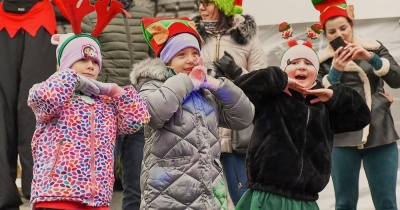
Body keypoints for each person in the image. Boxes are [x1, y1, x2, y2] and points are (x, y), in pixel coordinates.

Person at [27, 0, 150, 209]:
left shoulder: (105, 103)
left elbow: (137, 120)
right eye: (83, 60)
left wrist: (118, 92)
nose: (90, 66)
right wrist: (70, 77)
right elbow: (43, 99)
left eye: (95, 62)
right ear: (66, 63)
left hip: (97, 198)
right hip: (57, 195)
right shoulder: (54, 92)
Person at [232, 37, 371, 210]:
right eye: (293, 62)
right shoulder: (270, 99)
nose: (302, 66)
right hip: (266, 197)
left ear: (316, 71)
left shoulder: (323, 107)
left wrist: (334, 96)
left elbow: (362, 117)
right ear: (284, 71)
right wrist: (275, 79)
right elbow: (235, 92)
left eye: (308, 63)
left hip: (306, 201)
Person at [129, 17, 254, 210]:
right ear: (167, 61)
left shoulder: (207, 91)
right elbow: (153, 114)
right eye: (181, 55)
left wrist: (217, 85)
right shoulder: (151, 85)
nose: (191, 59)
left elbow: (244, 116)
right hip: (168, 195)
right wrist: (187, 82)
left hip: (209, 193)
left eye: (195, 53)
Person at [311, 0, 400, 209]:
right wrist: (335, 71)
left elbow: (397, 80)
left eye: (343, 28)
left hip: (380, 132)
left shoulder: (373, 47)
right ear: (325, 34)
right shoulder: (321, 60)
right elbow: (315, 96)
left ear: (352, 25)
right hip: (342, 138)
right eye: (332, 31)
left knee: (386, 202)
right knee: (344, 203)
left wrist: (371, 58)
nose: (339, 35)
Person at [192, 0, 268, 205]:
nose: (201, 8)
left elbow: (263, 82)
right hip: (199, 133)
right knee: (206, 202)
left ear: (223, 5)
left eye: (207, 3)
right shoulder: (192, 35)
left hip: (237, 137)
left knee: (243, 200)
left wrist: (236, 72)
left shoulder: (247, 37)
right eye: (198, 2)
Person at [81, 1, 154, 209]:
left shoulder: (145, 15)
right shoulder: (91, 16)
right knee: (99, 181)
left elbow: (154, 57)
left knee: (138, 183)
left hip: (137, 106)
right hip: (105, 110)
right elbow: (83, 61)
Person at [0, 0, 68, 209]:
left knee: (36, 106)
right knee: (3, 111)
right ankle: (4, 193)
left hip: (40, 21)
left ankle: (39, 189)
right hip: (4, 20)